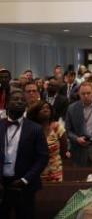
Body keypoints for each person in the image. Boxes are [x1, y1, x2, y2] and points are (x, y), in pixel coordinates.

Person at [0, 89, 49, 218]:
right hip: (1, 185)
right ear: (7, 104)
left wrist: (25, 179)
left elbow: (42, 158)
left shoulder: (35, 129)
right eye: (15, 99)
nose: (20, 102)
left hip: (24, 185)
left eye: (22, 100)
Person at [26, 101, 68, 182]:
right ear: (35, 113)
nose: (46, 110)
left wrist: (55, 162)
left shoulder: (57, 128)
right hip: (36, 173)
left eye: (47, 108)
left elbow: (64, 150)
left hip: (55, 172)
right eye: (42, 108)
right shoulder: (30, 130)